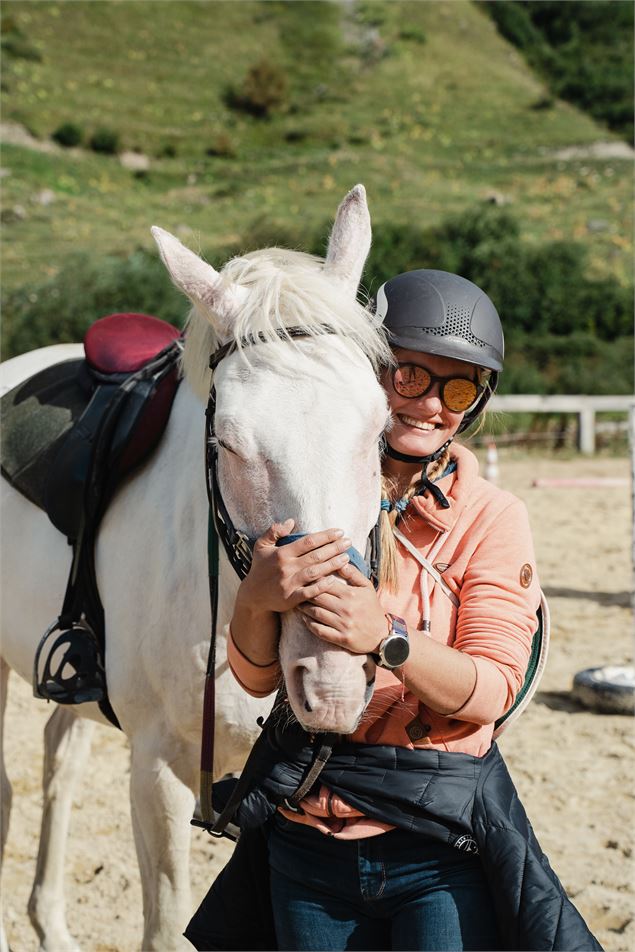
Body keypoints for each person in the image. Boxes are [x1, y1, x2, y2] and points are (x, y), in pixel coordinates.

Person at [185, 270, 601, 952]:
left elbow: (492, 690)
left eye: (457, 389)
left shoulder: (492, 518)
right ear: (372, 372)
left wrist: (386, 636)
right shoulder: (315, 491)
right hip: (304, 843)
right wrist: (258, 597)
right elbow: (258, 680)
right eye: (409, 375)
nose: (430, 403)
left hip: (434, 850)